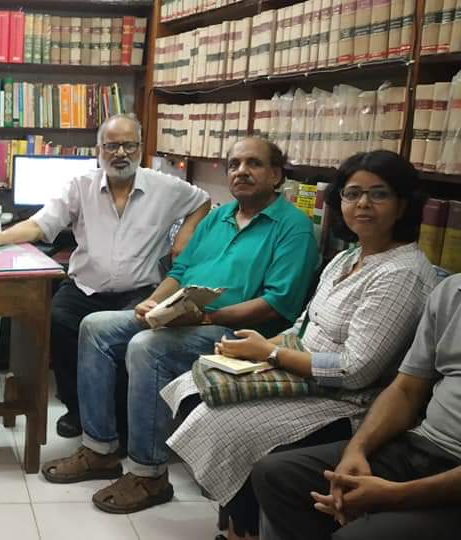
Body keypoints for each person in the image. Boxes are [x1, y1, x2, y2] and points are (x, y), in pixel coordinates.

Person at [159, 150, 437, 539]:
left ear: (402, 204)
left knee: (224, 424)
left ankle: (243, 531)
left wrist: (271, 354)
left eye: (379, 194)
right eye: (352, 193)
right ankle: (239, 524)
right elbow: (304, 323)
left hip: (345, 399)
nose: (363, 204)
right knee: (195, 386)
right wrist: (260, 348)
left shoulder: (401, 273)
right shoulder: (347, 258)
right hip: (299, 369)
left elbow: (356, 371)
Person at [41, 137, 319, 514]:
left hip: (241, 336)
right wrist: (155, 303)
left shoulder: (293, 227)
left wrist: (207, 317)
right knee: (95, 327)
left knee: (147, 347)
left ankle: (149, 474)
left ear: (276, 175)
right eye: (234, 164)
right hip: (189, 316)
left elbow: (276, 304)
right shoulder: (219, 217)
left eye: (253, 164)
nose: (241, 172)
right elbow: (182, 270)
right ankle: (100, 449)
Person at [0, 113, 211, 437]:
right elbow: (41, 224)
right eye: (112, 146)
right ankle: (77, 411)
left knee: (130, 342)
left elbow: (202, 201)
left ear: (140, 148)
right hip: (84, 288)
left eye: (129, 145)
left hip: (139, 291)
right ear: (98, 150)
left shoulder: (165, 187)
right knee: (57, 322)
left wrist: (186, 234)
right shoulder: (81, 186)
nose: (120, 153)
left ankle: (119, 420)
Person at [252, 273, 461, 540]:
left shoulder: (402, 273)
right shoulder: (451, 292)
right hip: (422, 447)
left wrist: (394, 496)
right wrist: (356, 450)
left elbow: (354, 370)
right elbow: (406, 390)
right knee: (275, 475)